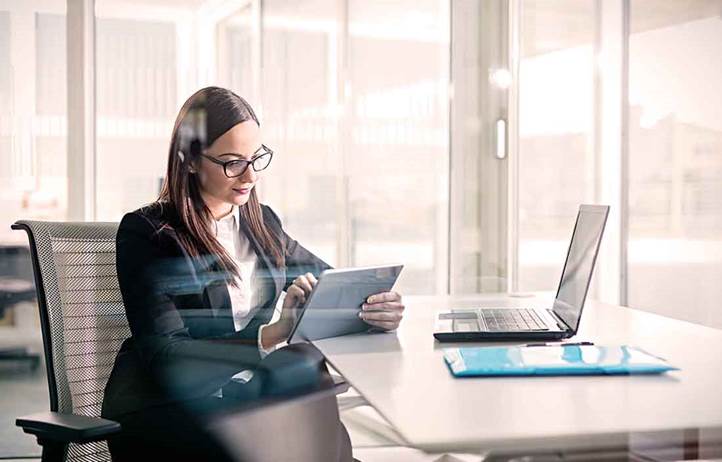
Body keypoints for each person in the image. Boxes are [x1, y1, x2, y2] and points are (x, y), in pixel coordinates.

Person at [102, 86, 405, 460]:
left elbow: (333, 286)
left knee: (305, 378)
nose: (249, 175)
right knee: (311, 437)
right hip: (164, 409)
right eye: (232, 162)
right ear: (190, 161)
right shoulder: (147, 233)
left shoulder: (262, 224)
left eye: (255, 158)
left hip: (245, 398)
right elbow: (168, 356)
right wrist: (273, 333)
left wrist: (375, 306)